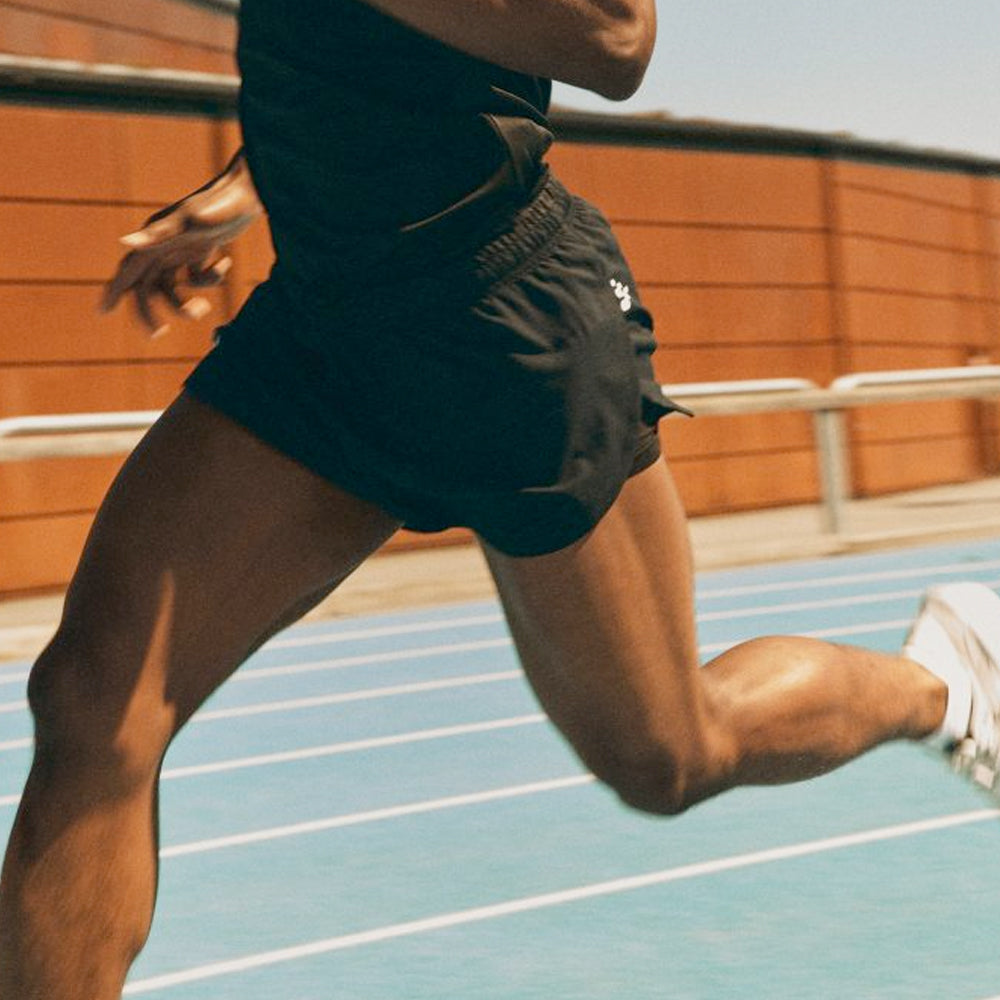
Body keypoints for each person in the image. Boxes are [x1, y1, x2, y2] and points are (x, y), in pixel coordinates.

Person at [2, 1, 999, 996]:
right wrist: (243, 185)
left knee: (668, 753)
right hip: (323, 329)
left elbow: (615, 36)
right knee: (95, 700)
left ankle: (942, 682)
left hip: (502, 324)